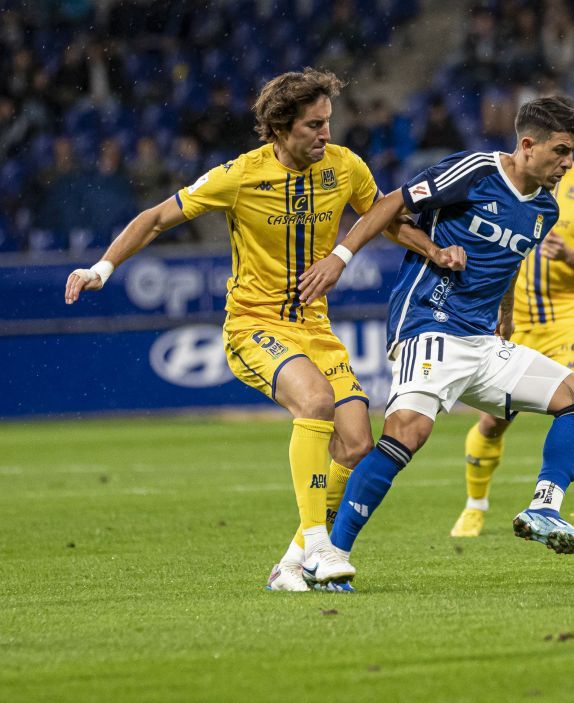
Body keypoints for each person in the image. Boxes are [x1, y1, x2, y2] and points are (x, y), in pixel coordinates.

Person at [64, 69, 449, 594]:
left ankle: (289, 566)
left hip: (315, 328)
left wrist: (434, 251)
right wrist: (100, 269)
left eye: (328, 122)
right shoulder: (240, 176)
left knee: (357, 443)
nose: (325, 135)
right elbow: (155, 220)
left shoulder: (345, 167)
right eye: (314, 125)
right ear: (280, 127)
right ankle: (319, 544)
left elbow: (383, 218)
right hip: (253, 325)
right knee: (314, 401)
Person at [297, 97, 574, 588]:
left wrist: (504, 317)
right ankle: (328, 556)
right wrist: (341, 256)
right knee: (407, 433)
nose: (569, 163)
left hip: (483, 342)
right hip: (430, 323)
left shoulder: (545, 208)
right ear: (527, 145)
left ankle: (544, 508)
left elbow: (509, 267)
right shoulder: (476, 170)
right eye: (561, 151)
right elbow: (392, 204)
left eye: (573, 153)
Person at [450, 160, 574, 539]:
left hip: (567, 321)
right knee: (493, 422)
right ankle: (475, 507)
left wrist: (570, 256)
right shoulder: (514, 184)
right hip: (515, 323)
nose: (564, 156)